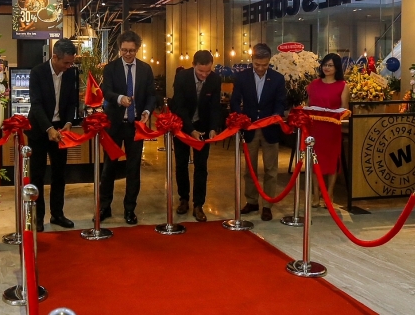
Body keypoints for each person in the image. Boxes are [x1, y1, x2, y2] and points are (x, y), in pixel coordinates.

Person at [99, 30, 156, 225]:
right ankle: (104, 207)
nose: (128, 54)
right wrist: (119, 98)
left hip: (135, 126)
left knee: (133, 169)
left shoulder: (145, 69)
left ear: (137, 49)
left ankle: (130, 209)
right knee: (109, 167)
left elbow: (151, 95)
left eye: (131, 50)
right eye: (124, 50)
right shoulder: (111, 68)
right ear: (119, 49)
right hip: (114, 125)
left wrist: (147, 111)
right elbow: (106, 91)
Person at [229, 43, 287, 221]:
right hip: (250, 129)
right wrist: (239, 118)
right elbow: (235, 100)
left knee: (271, 169)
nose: (261, 68)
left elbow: (280, 103)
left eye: (264, 65)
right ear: (252, 59)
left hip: (270, 129)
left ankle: (267, 205)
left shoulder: (277, 78)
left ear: (269, 61)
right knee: (250, 169)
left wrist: (276, 115)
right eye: (257, 64)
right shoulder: (242, 77)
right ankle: (252, 201)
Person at [27, 38, 78, 232]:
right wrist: (49, 129)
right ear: (55, 57)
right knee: (37, 175)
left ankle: (57, 214)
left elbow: (72, 102)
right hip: (40, 130)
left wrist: (68, 123)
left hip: (61, 130)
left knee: (59, 174)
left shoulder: (71, 73)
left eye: (71, 62)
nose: (68, 66)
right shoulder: (37, 72)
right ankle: (38, 217)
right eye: (66, 62)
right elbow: (36, 104)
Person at [169, 50, 222, 222]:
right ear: (193, 65)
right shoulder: (182, 77)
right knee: (181, 164)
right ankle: (183, 199)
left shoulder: (215, 79)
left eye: (208, 71)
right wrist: (191, 130)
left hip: (203, 127)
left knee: (201, 166)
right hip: (182, 126)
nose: (204, 75)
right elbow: (179, 106)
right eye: (200, 71)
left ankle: (198, 204)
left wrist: (213, 128)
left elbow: (215, 107)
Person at [306, 53, 349, 207]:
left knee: (332, 162)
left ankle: (329, 193)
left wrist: (334, 114)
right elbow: (309, 105)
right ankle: (315, 194)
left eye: (330, 65)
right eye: (325, 64)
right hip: (315, 129)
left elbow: (345, 109)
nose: (327, 68)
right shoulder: (314, 84)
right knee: (315, 162)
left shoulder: (343, 86)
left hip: (332, 129)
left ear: (337, 68)